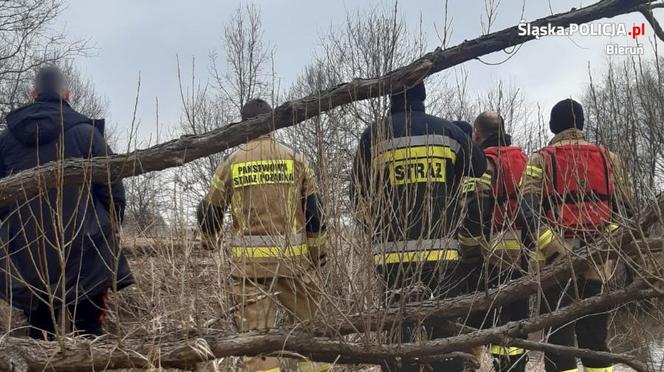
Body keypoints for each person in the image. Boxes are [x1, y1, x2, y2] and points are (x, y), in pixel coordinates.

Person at [351, 82, 487, 372]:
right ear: (422, 98)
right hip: (442, 255)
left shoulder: (373, 135)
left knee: (398, 333)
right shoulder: (446, 131)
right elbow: (478, 166)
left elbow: (356, 196)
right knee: (446, 332)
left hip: (391, 257)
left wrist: (376, 231)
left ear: (391, 99)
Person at [0, 65, 132, 339]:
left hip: (30, 258)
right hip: (87, 254)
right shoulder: (86, 133)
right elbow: (113, 192)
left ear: (33, 93)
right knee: (89, 334)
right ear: (66, 93)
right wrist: (110, 226)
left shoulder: (6, 140)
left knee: (40, 335)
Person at [198, 98, 329, 372]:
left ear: (243, 127)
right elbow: (315, 216)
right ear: (273, 125)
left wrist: (209, 242)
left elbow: (210, 210)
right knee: (314, 339)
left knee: (258, 350)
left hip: (249, 272)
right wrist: (317, 255)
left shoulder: (230, 163)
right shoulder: (296, 160)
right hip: (294, 267)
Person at [519, 99, 633, 372]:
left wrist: (552, 246)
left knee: (559, 342)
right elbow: (626, 211)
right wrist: (608, 242)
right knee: (595, 339)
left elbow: (527, 210)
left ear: (552, 126)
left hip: (555, 263)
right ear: (581, 124)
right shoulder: (609, 159)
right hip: (599, 262)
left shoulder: (540, 158)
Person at [468, 112, 529, 372]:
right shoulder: (526, 159)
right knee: (516, 319)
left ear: (478, 134)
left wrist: (469, 250)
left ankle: (474, 364)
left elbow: (476, 210)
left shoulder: (485, 163)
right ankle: (514, 367)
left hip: (491, 252)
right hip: (524, 253)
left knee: (482, 317)